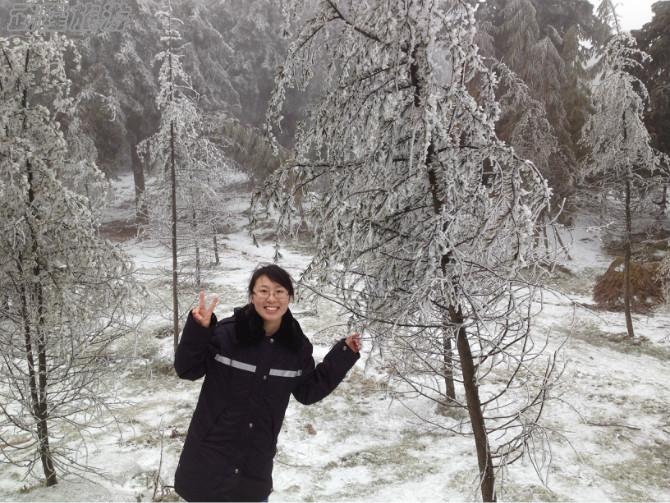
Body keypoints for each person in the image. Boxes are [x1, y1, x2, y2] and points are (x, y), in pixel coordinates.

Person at [173, 264, 362, 502]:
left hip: (253, 472)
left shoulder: (296, 348)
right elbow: (187, 369)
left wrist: (343, 354)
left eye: (279, 291)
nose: (271, 298)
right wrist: (198, 330)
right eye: (263, 291)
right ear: (252, 296)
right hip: (207, 464)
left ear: (290, 297)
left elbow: (308, 392)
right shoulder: (227, 335)